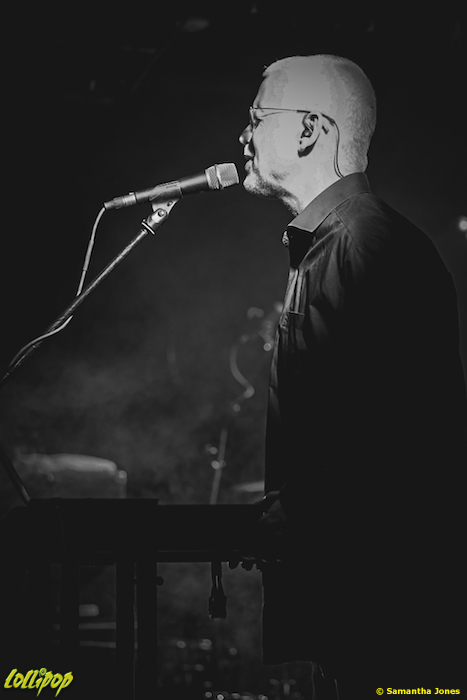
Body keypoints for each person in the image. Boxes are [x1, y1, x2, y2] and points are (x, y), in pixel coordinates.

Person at [235, 54, 467, 698]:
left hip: (390, 614)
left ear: (310, 130)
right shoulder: (334, 245)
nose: (244, 134)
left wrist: (301, 507)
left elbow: (405, 426)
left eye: (257, 117)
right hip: (362, 606)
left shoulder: (365, 245)